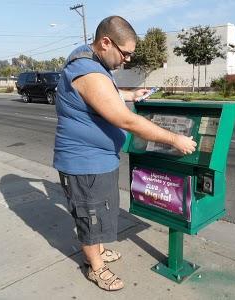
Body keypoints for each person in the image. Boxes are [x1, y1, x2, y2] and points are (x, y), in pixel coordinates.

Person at [53, 15, 196, 292]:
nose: (128, 59)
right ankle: (95, 267)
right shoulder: (87, 71)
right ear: (106, 43)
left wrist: (129, 94)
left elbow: (104, 93)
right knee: (89, 215)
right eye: (126, 53)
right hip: (84, 163)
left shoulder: (89, 58)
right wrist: (173, 138)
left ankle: (98, 250)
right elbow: (126, 121)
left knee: (99, 210)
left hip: (98, 160)